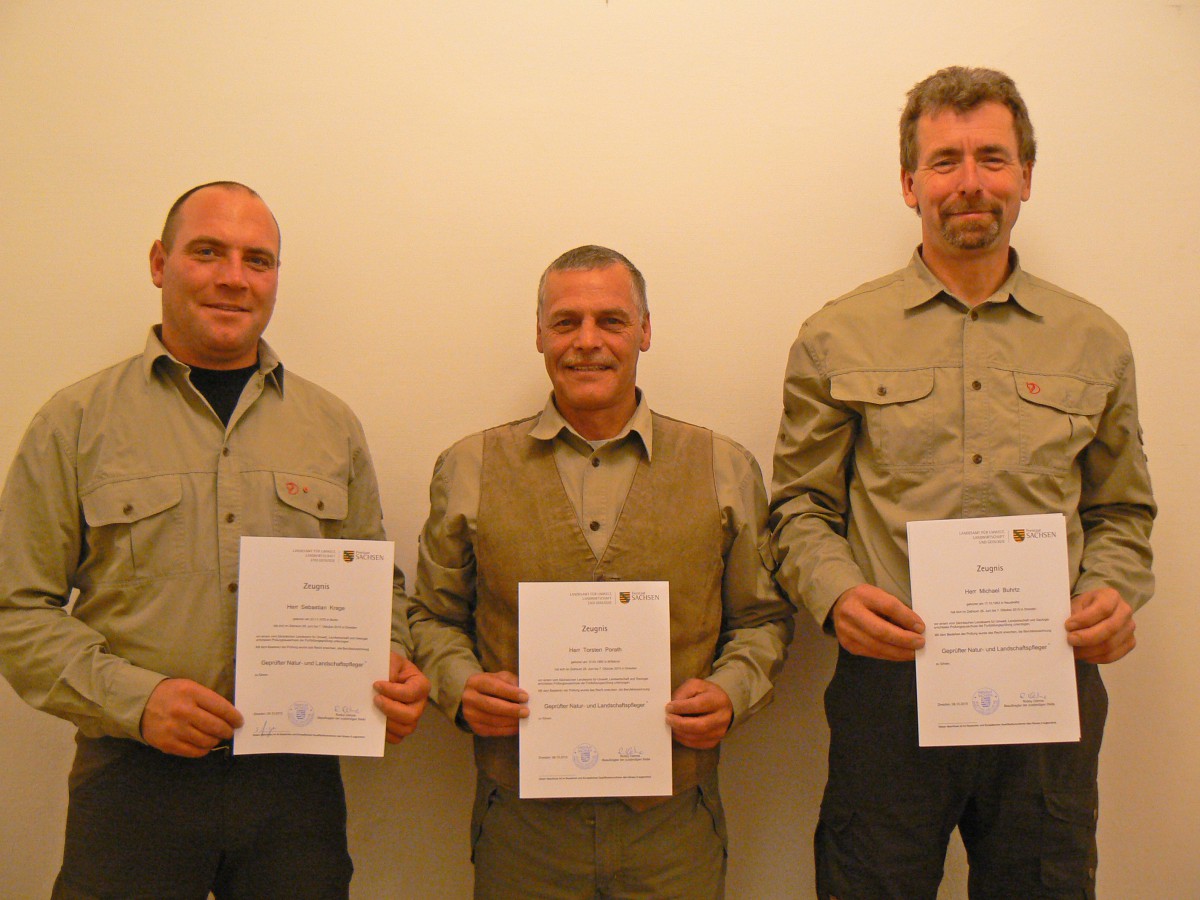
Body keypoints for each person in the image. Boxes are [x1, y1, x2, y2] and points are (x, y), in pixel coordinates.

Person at [769, 66, 1155, 899]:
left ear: (1025, 178)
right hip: (889, 691)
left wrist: (1114, 592)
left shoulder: (1095, 342)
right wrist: (837, 597)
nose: (969, 182)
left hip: (1047, 691)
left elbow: (1121, 509)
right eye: (945, 161)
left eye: (991, 157)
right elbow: (799, 505)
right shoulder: (837, 335)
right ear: (909, 183)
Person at [0, 181, 429, 899]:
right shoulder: (74, 422)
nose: (234, 277)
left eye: (258, 260)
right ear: (159, 262)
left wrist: (393, 659)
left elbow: (373, 582)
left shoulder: (330, 425)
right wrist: (138, 698)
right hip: (132, 782)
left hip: (295, 788)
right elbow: (16, 610)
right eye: (209, 252)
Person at [408, 245, 794, 899]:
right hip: (522, 827)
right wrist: (461, 685)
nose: (587, 342)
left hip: (673, 824)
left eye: (611, 321)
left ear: (645, 331)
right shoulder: (467, 467)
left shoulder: (723, 467)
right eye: (566, 322)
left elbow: (762, 618)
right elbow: (432, 615)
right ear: (539, 335)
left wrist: (732, 690)